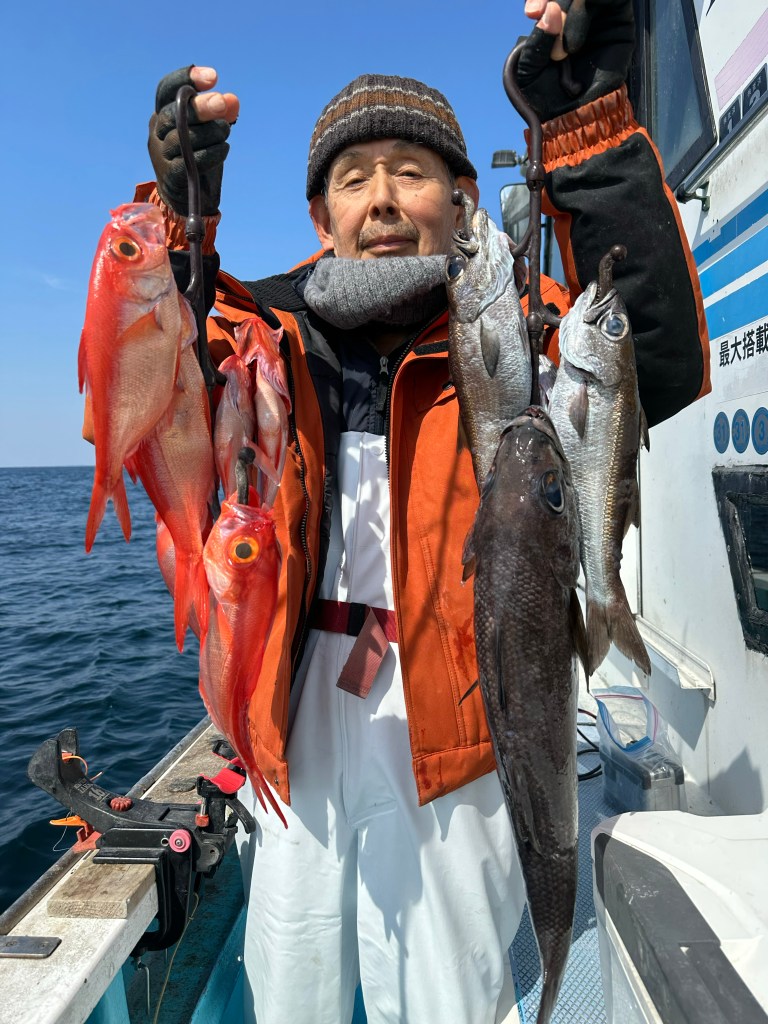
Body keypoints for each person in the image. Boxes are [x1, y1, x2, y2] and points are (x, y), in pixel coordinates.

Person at [137, 2, 710, 1021]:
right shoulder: (263, 334)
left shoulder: (518, 332)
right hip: (296, 726)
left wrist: (586, 125)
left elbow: (649, 358)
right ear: (321, 218)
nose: (383, 199)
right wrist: (182, 216)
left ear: (461, 199)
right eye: (354, 179)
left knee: (452, 997)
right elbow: (154, 380)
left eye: (411, 172)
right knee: (292, 989)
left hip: (460, 720)